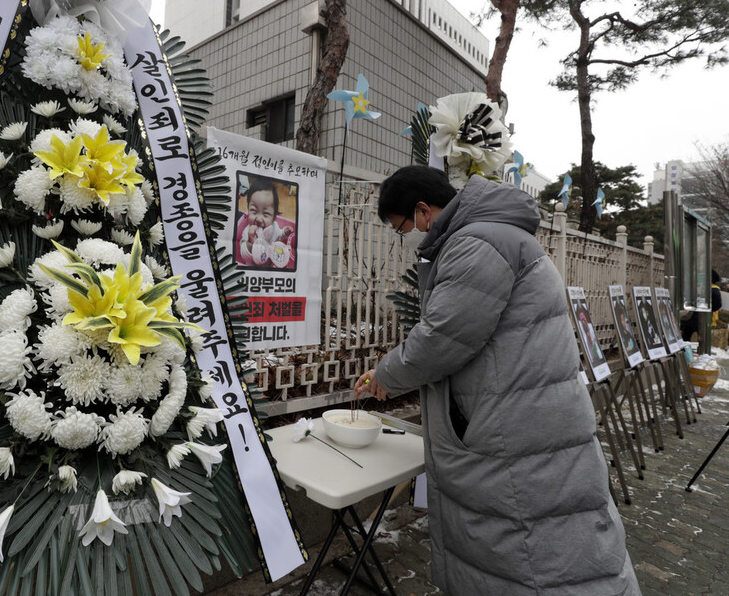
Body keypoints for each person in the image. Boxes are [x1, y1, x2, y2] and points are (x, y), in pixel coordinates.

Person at [354, 166, 641, 595]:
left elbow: (442, 339)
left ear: (423, 211)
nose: (406, 238)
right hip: (527, 423)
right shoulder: (494, 235)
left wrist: (386, 375)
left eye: (403, 228)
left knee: (534, 555)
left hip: (515, 434)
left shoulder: (476, 243)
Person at [235, 177, 296, 268]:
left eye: (266, 214)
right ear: (248, 209)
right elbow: (245, 257)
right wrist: (250, 244)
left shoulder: (274, 226)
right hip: (253, 266)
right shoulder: (248, 231)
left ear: (274, 216)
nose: (259, 219)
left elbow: (279, 236)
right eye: (254, 211)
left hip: (271, 263)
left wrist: (284, 232)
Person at [679, 270, 723, 341]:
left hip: (688, 318)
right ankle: (702, 351)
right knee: (703, 340)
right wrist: (709, 309)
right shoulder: (715, 290)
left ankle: (685, 351)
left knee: (685, 338)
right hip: (703, 319)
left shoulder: (695, 287)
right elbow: (718, 305)